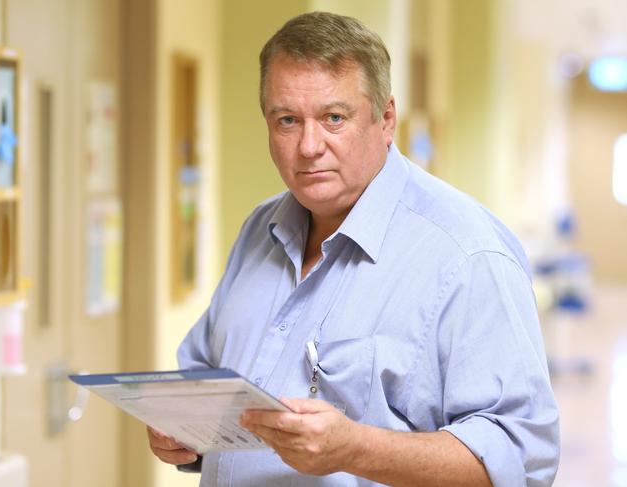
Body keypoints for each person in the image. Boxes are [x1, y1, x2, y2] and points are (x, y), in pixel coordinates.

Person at [147, 11, 560, 486]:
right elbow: (207, 378)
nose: (308, 146)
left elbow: (521, 457)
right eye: (287, 121)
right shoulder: (260, 229)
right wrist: (185, 436)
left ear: (386, 119)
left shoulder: (468, 254)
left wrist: (357, 449)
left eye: (334, 118)